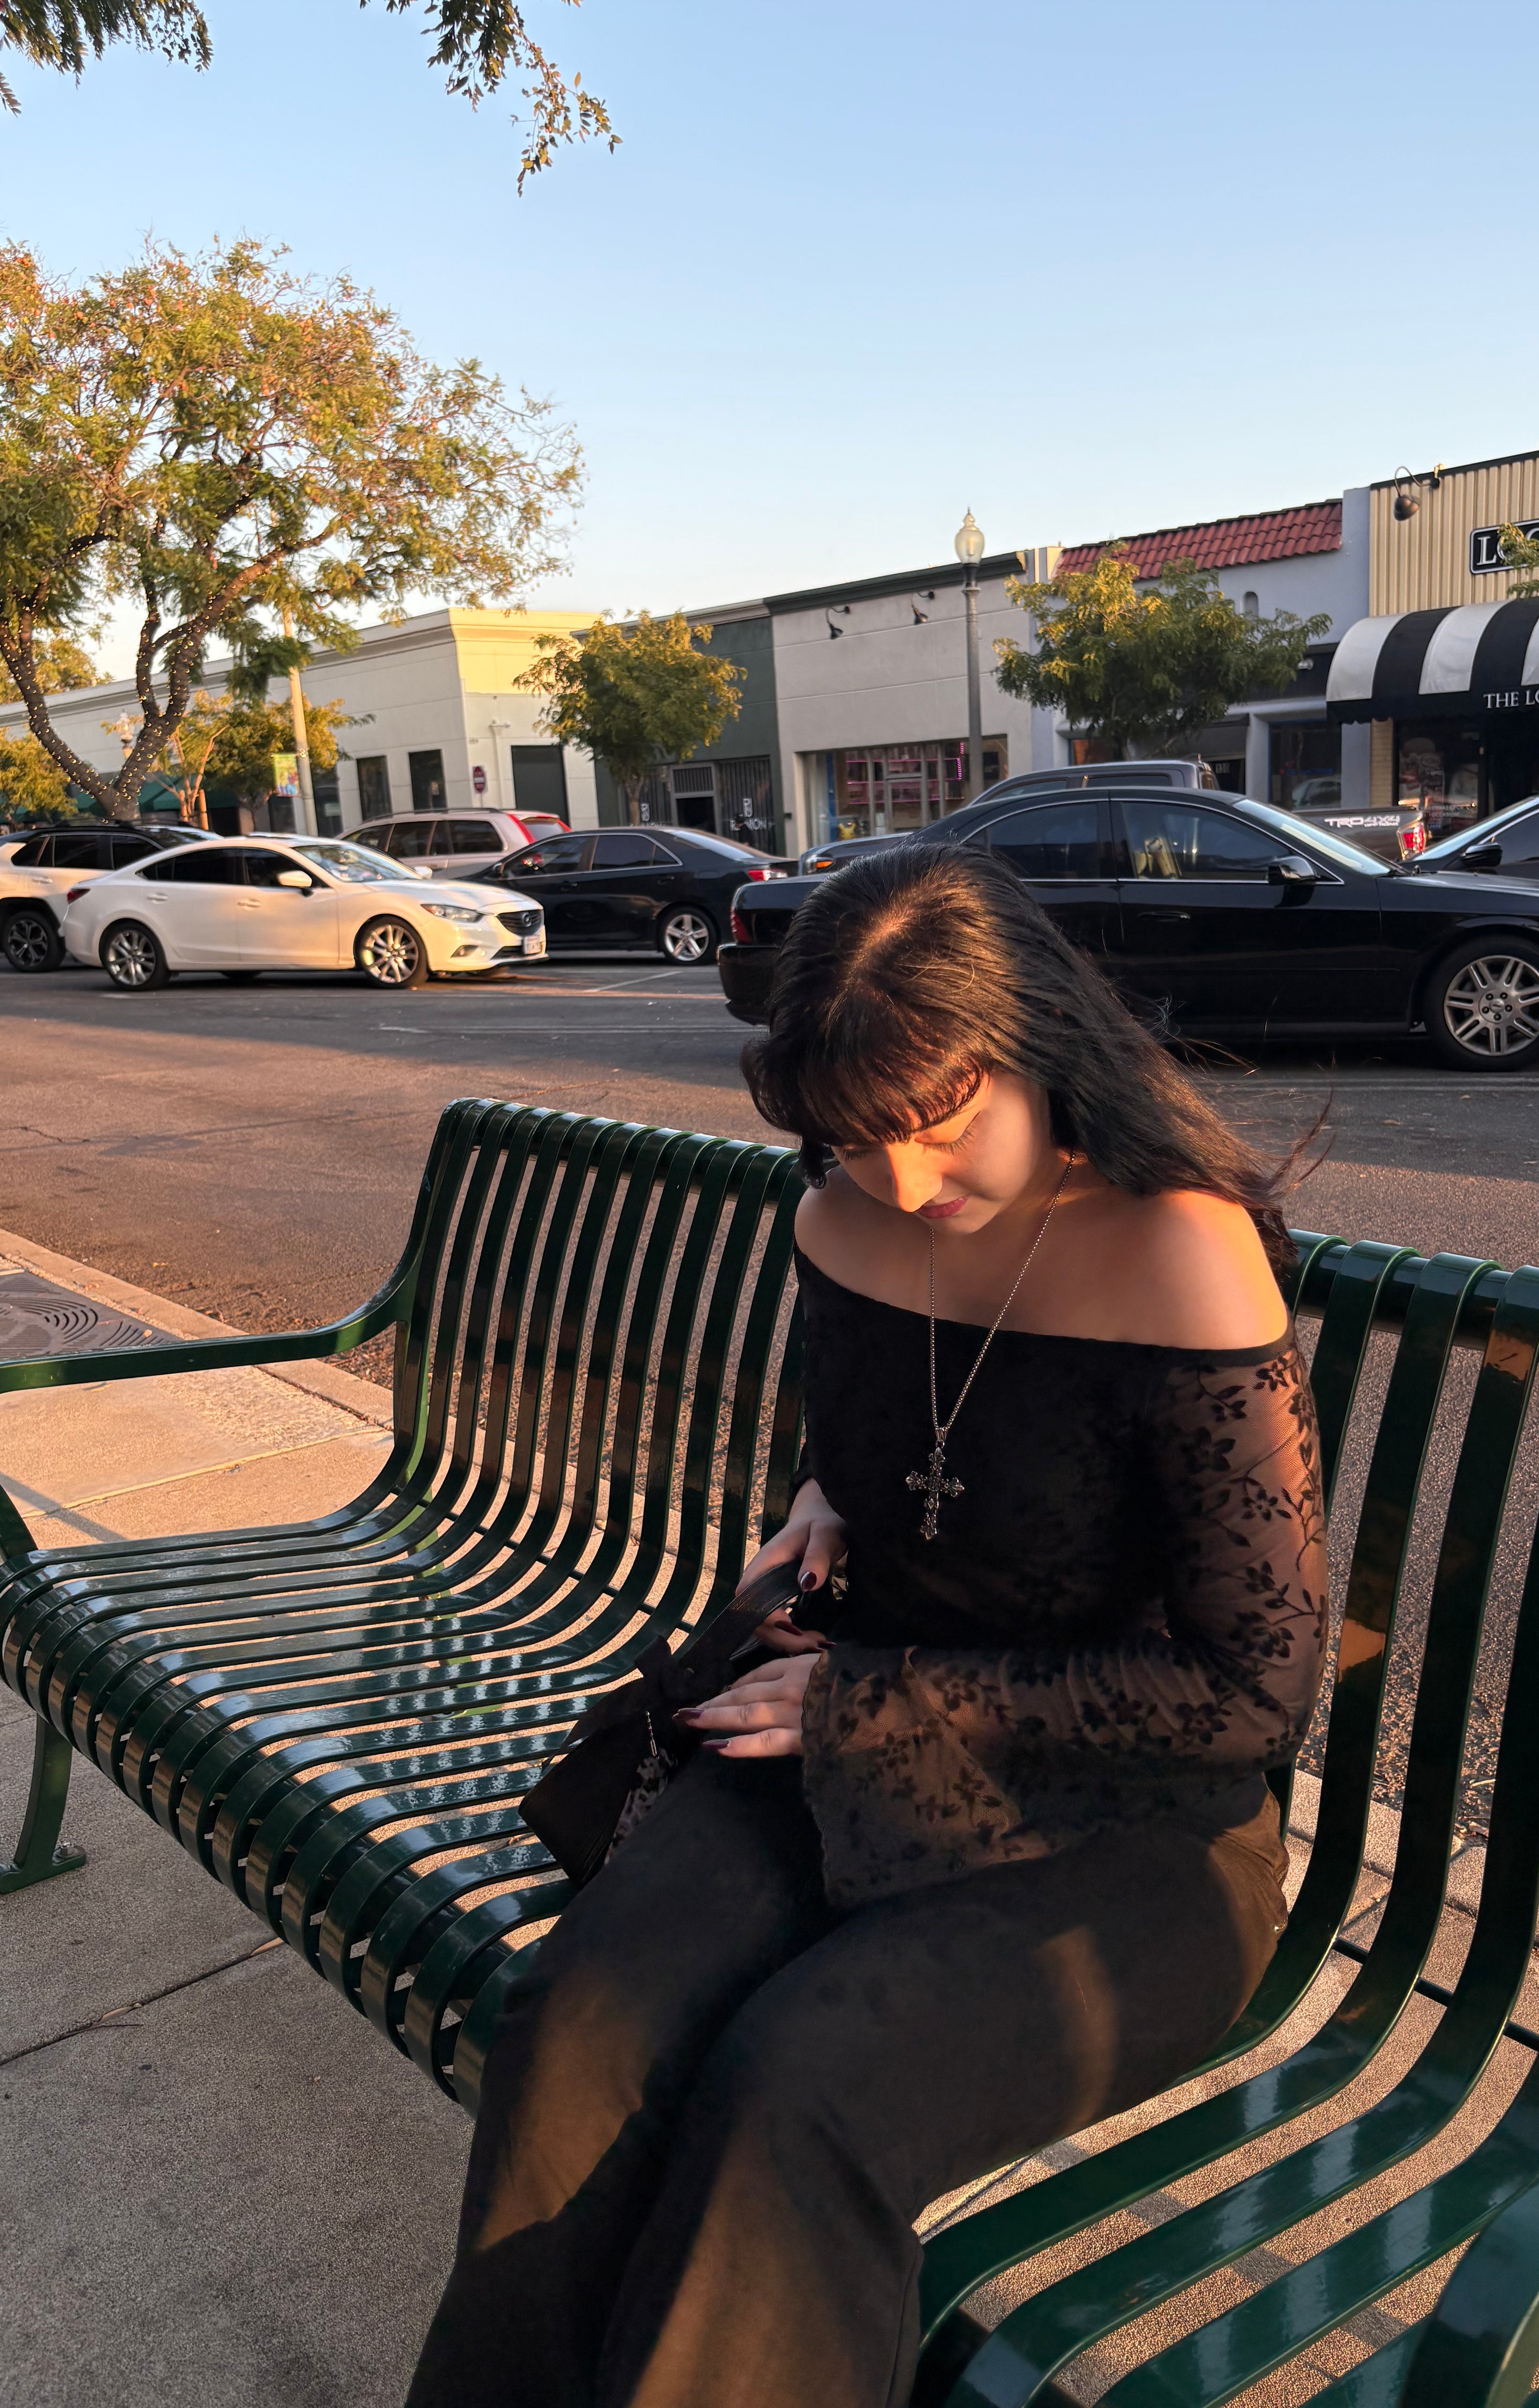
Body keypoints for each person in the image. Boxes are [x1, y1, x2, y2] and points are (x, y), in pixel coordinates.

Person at [407, 844, 1328, 2408]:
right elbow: (913, 1427)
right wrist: (834, 1483)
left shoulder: (1175, 1244)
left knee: (800, 2088)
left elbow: (1252, 1692)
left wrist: (869, 1705)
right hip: (834, 1738)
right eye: (852, 1135)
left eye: (942, 1124)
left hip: (1130, 1827)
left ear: (1038, 1042)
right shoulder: (840, 1214)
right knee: (577, 2033)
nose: (901, 1182)